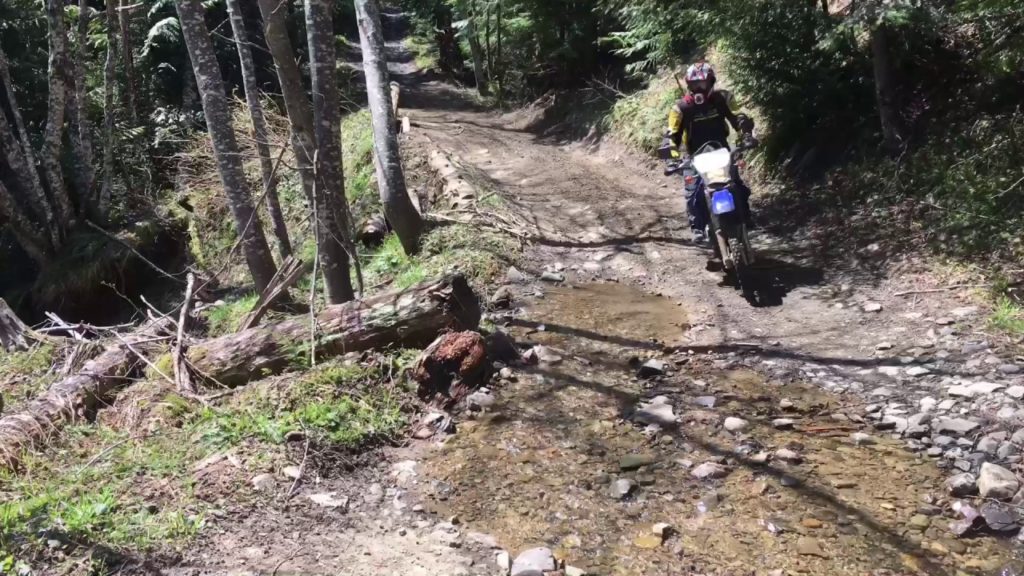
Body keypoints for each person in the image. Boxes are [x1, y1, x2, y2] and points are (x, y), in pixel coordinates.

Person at [664, 61, 756, 243]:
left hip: (722, 153)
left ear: (711, 82)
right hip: (694, 157)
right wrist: (670, 157)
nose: (699, 88)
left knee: (737, 185)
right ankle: (698, 227)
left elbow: (738, 116)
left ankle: (745, 218)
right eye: (694, 84)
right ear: (688, 85)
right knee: (693, 192)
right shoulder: (681, 108)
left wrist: (746, 133)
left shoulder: (722, 99)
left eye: (703, 84)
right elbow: (671, 135)